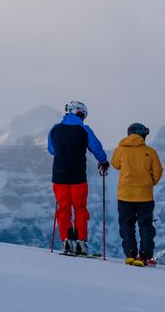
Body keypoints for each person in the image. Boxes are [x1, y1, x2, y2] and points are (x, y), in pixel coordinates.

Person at [48, 101, 109, 255]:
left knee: (63, 208)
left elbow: (51, 150)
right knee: (80, 208)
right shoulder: (84, 130)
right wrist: (103, 161)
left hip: (59, 176)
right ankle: (81, 242)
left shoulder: (55, 129)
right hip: (78, 176)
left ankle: (66, 241)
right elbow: (96, 147)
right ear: (80, 113)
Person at [110, 122, 163, 266]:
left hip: (124, 194)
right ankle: (145, 256)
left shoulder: (120, 149)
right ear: (142, 135)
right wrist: (150, 182)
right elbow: (158, 171)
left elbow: (115, 164)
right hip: (144, 195)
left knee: (127, 225)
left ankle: (130, 255)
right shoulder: (150, 151)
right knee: (145, 226)